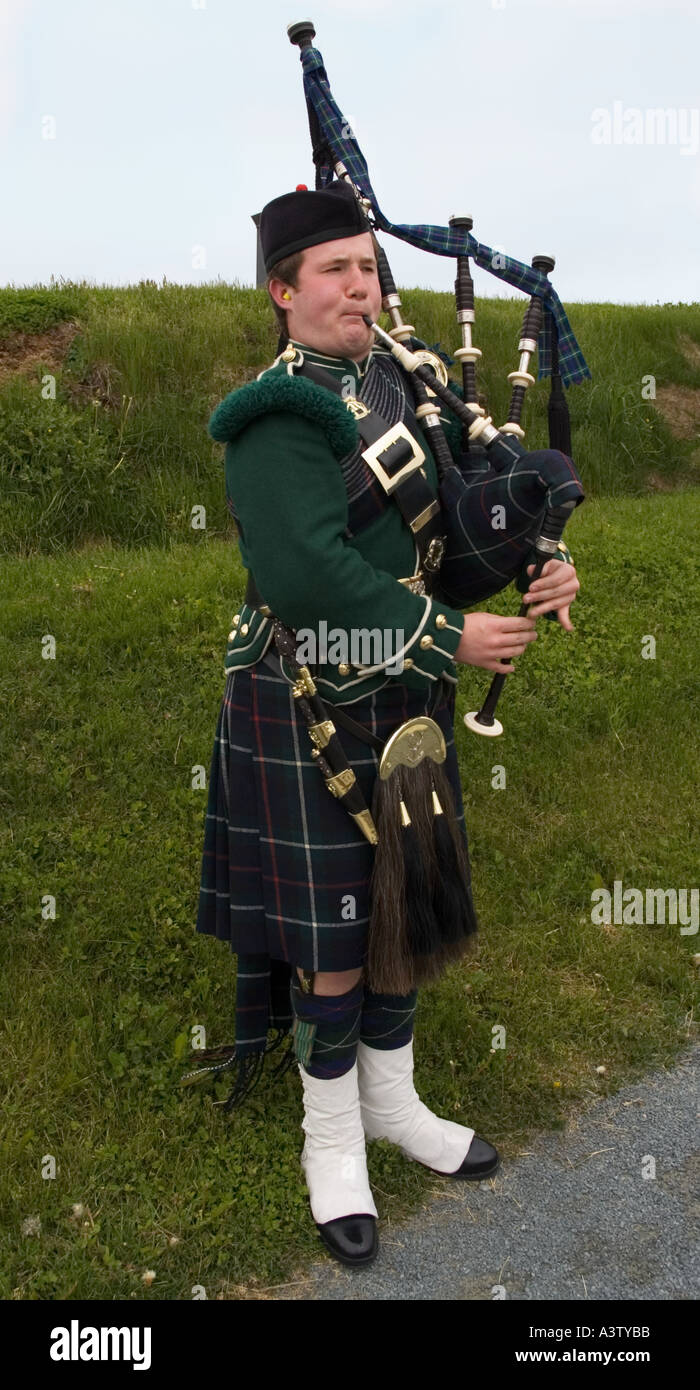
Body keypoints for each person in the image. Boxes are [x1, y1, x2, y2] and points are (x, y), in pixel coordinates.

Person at [193, 182, 580, 1268]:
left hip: (403, 692)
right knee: (333, 939)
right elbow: (302, 574)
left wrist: (530, 555)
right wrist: (447, 637)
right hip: (309, 688)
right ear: (282, 291)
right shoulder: (274, 416)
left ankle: (393, 1104)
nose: (360, 285)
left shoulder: (398, 384)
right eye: (333, 271)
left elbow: (453, 529)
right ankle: (331, 1145)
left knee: (405, 901)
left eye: (368, 267)